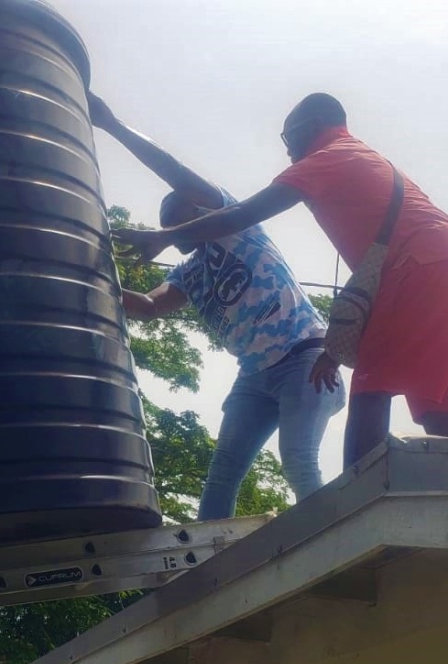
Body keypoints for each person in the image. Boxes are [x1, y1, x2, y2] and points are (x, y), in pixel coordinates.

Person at [114, 93, 448, 469]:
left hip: (418, 268)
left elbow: (243, 213)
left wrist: (160, 235)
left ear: (311, 127)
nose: (287, 151)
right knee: (438, 411)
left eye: (287, 138)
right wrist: (334, 350)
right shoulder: (359, 157)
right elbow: (373, 281)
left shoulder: (329, 156)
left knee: (370, 391)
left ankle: (358, 508)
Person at [89, 93, 343, 521]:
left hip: (305, 357)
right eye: (166, 221)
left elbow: (175, 174)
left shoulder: (235, 228)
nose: (172, 225)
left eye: (178, 213)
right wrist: (87, 274)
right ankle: (209, 563)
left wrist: (113, 126)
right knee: (222, 473)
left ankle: (333, 541)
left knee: (298, 460)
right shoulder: (189, 272)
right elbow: (149, 306)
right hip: (255, 376)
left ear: (203, 207)